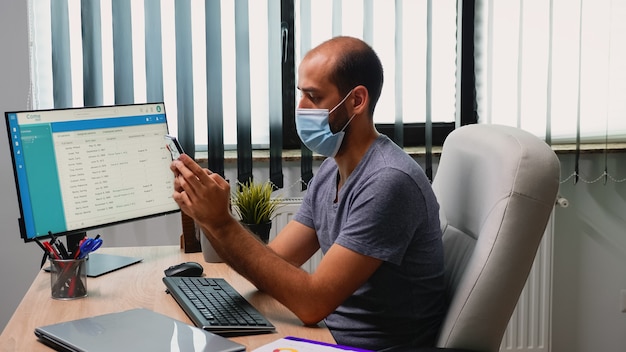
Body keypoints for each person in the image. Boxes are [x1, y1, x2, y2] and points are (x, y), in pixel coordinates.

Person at [170, 36, 447, 351]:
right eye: (301, 94)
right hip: (328, 335)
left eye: (313, 97)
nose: (300, 109)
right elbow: (274, 263)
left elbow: (313, 302)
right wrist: (206, 215)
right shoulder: (333, 169)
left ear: (357, 101)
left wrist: (222, 222)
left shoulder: (389, 181)